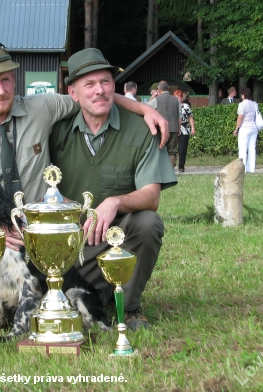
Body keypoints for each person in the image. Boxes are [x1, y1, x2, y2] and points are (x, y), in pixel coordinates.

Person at [0, 32, 169, 327]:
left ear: (14, 79)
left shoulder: (42, 108)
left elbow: (92, 95)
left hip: (45, 240)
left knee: (135, 228)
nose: (0, 90)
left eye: (6, 80)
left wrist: (144, 107)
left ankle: (105, 302)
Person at [49, 49, 177, 330]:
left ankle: (128, 307)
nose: (100, 91)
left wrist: (115, 202)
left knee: (147, 222)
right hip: (70, 247)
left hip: (115, 242)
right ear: (73, 92)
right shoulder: (54, 129)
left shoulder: (143, 129)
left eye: (106, 82)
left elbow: (152, 196)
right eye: (89, 85)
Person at [148, 80, 181, 168]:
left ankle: (160, 169)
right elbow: (180, 115)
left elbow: (146, 108)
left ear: (158, 89)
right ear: (168, 88)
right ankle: (170, 171)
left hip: (160, 129)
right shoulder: (176, 100)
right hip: (173, 127)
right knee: (172, 151)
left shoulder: (156, 99)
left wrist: (153, 96)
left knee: (159, 150)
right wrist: (179, 127)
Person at [234, 87, 258, 173]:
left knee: (243, 149)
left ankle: (242, 169)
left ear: (243, 95)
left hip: (244, 128)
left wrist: (236, 129)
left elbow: (240, 117)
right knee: (252, 148)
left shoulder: (242, 104)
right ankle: (251, 168)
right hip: (253, 127)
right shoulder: (254, 104)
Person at [173, 90, 196, 173]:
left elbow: (190, 117)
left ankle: (181, 166)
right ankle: (172, 164)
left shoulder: (186, 106)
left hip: (185, 129)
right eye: (175, 97)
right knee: (172, 148)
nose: (177, 99)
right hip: (174, 129)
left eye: (178, 97)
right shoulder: (172, 106)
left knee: (182, 149)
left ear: (181, 97)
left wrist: (193, 128)